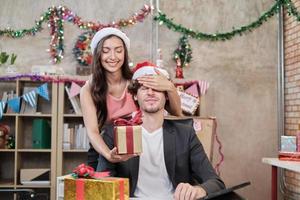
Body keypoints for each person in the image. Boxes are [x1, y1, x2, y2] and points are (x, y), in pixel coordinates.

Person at [97, 64, 225, 199]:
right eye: (145, 88)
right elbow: (102, 184)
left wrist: (198, 190)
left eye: (157, 89)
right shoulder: (115, 133)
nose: (151, 93)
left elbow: (215, 182)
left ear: (167, 96)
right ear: (135, 95)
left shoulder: (185, 134)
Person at [80, 27, 182, 169]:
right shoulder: (88, 89)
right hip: (105, 148)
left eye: (118, 50)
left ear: (125, 54)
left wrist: (170, 87)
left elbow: (176, 112)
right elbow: (92, 132)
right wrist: (108, 155)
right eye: (106, 51)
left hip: (138, 146)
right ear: (98, 55)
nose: (113, 56)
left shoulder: (137, 80)